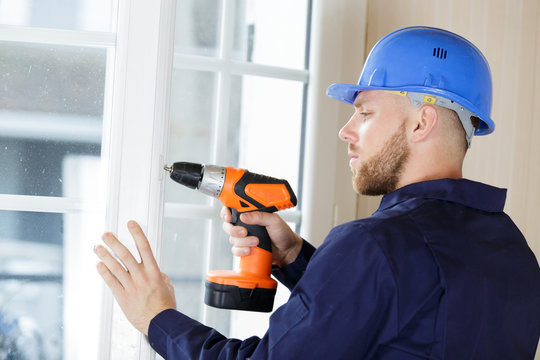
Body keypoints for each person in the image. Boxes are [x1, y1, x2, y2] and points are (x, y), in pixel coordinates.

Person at [94, 26, 540, 359]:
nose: (346, 131)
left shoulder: (374, 245)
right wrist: (294, 257)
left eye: (364, 112)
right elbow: (404, 323)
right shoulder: (511, 250)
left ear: (422, 122)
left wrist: (157, 317)